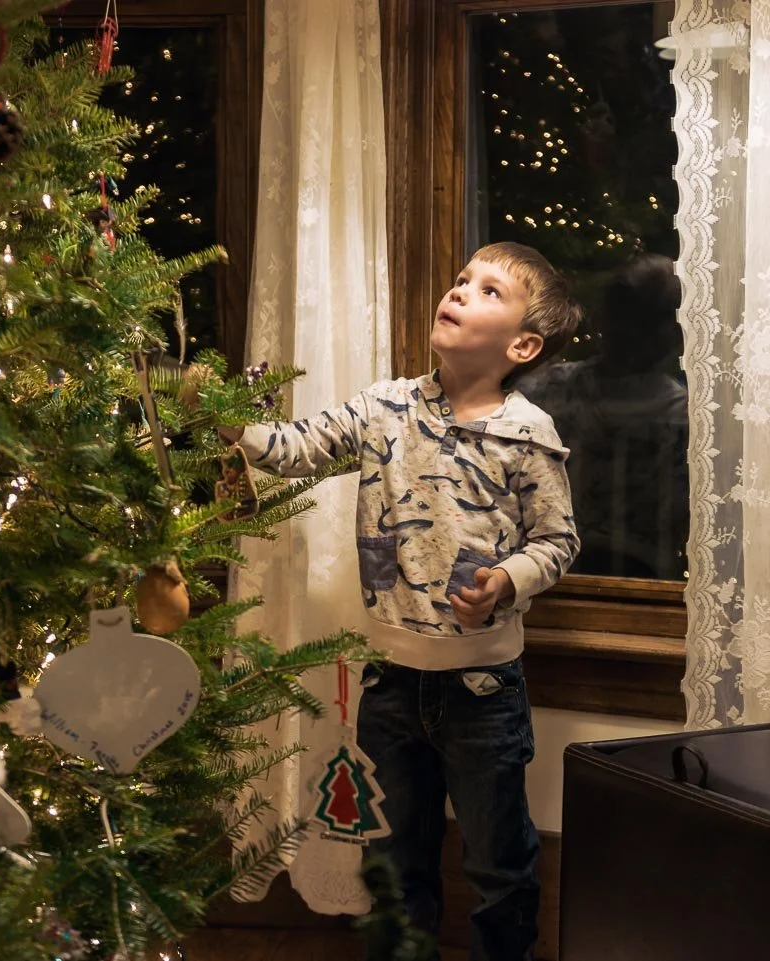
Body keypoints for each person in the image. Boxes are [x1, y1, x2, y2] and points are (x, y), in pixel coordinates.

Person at [219, 241, 581, 960]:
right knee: (394, 865)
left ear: (523, 342)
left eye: (485, 290)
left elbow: (558, 540)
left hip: (483, 692)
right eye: (459, 281)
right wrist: (231, 423)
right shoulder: (383, 407)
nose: (457, 291)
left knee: (498, 865)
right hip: (389, 684)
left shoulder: (527, 433)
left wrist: (508, 579)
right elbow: (294, 448)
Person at [512, 253, 688, 580]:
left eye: (653, 318)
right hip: (540, 578)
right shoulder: (543, 391)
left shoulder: (686, 418)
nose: (635, 332)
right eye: (628, 311)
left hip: (647, 587)